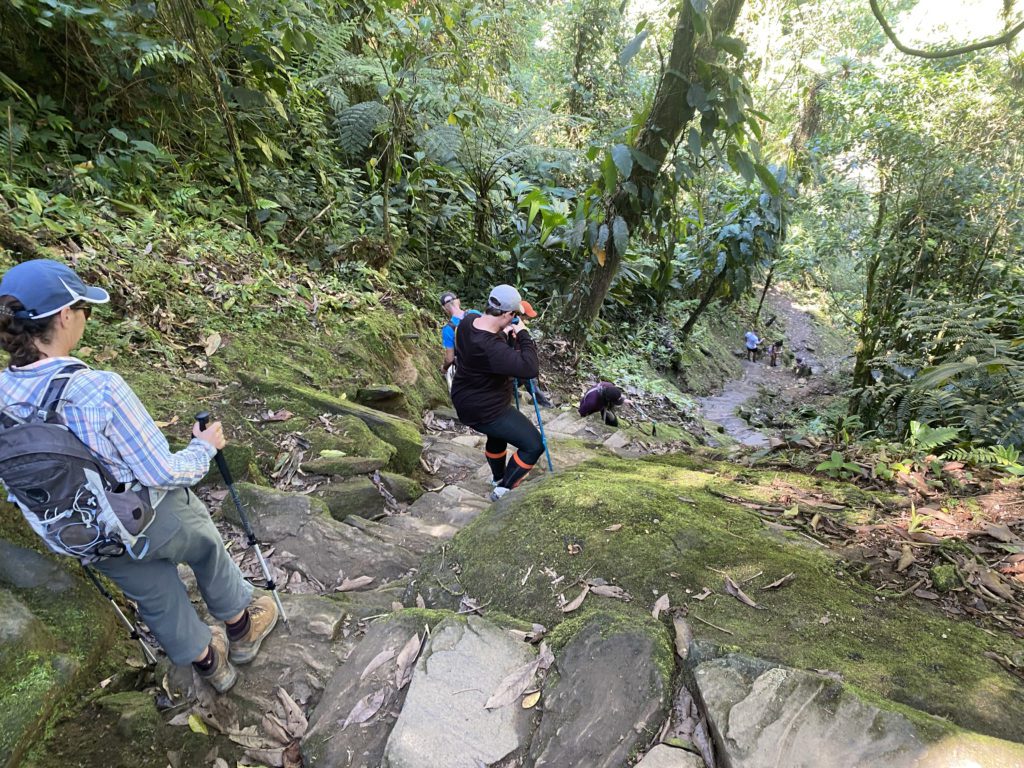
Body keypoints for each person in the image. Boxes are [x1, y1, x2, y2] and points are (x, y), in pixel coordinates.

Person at [0, 259, 277, 694]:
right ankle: (242, 629)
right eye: (82, 309)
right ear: (64, 316)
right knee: (202, 540)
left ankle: (212, 666)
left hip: (80, 533)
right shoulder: (98, 389)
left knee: (155, 593)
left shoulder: (2, 394)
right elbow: (162, 471)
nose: (85, 318)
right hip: (144, 517)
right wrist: (203, 448)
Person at [451, 285, 544, 501]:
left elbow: (485, 347)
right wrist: (522, 333)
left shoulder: (468, 322)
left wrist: (503, 333)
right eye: (515, 316)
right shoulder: (490, 347)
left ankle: (498, 477)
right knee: (533, 445)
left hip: (467, 396)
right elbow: (530, 368)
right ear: (508, 314)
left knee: (497, 435)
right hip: (486, 407)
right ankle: (504, 489)